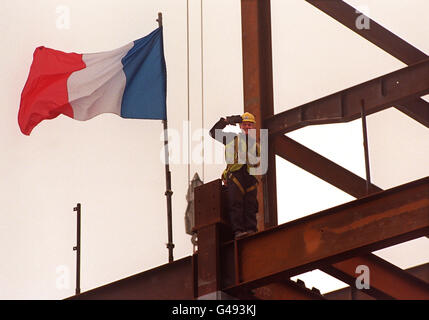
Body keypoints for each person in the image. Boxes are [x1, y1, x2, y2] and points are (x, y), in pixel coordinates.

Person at [209, 112, 261, 239]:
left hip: (250, 176)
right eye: (245, 125)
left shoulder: (256, 144)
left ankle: (251, 230)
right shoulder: (232, 138)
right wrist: (227, 120)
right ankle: (238, 231)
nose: (247, 127)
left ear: (253, 127)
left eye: (250, 125)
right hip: (236, 174)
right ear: (241, 127)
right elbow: (214, 132)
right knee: (236, 203)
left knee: (251, 205)